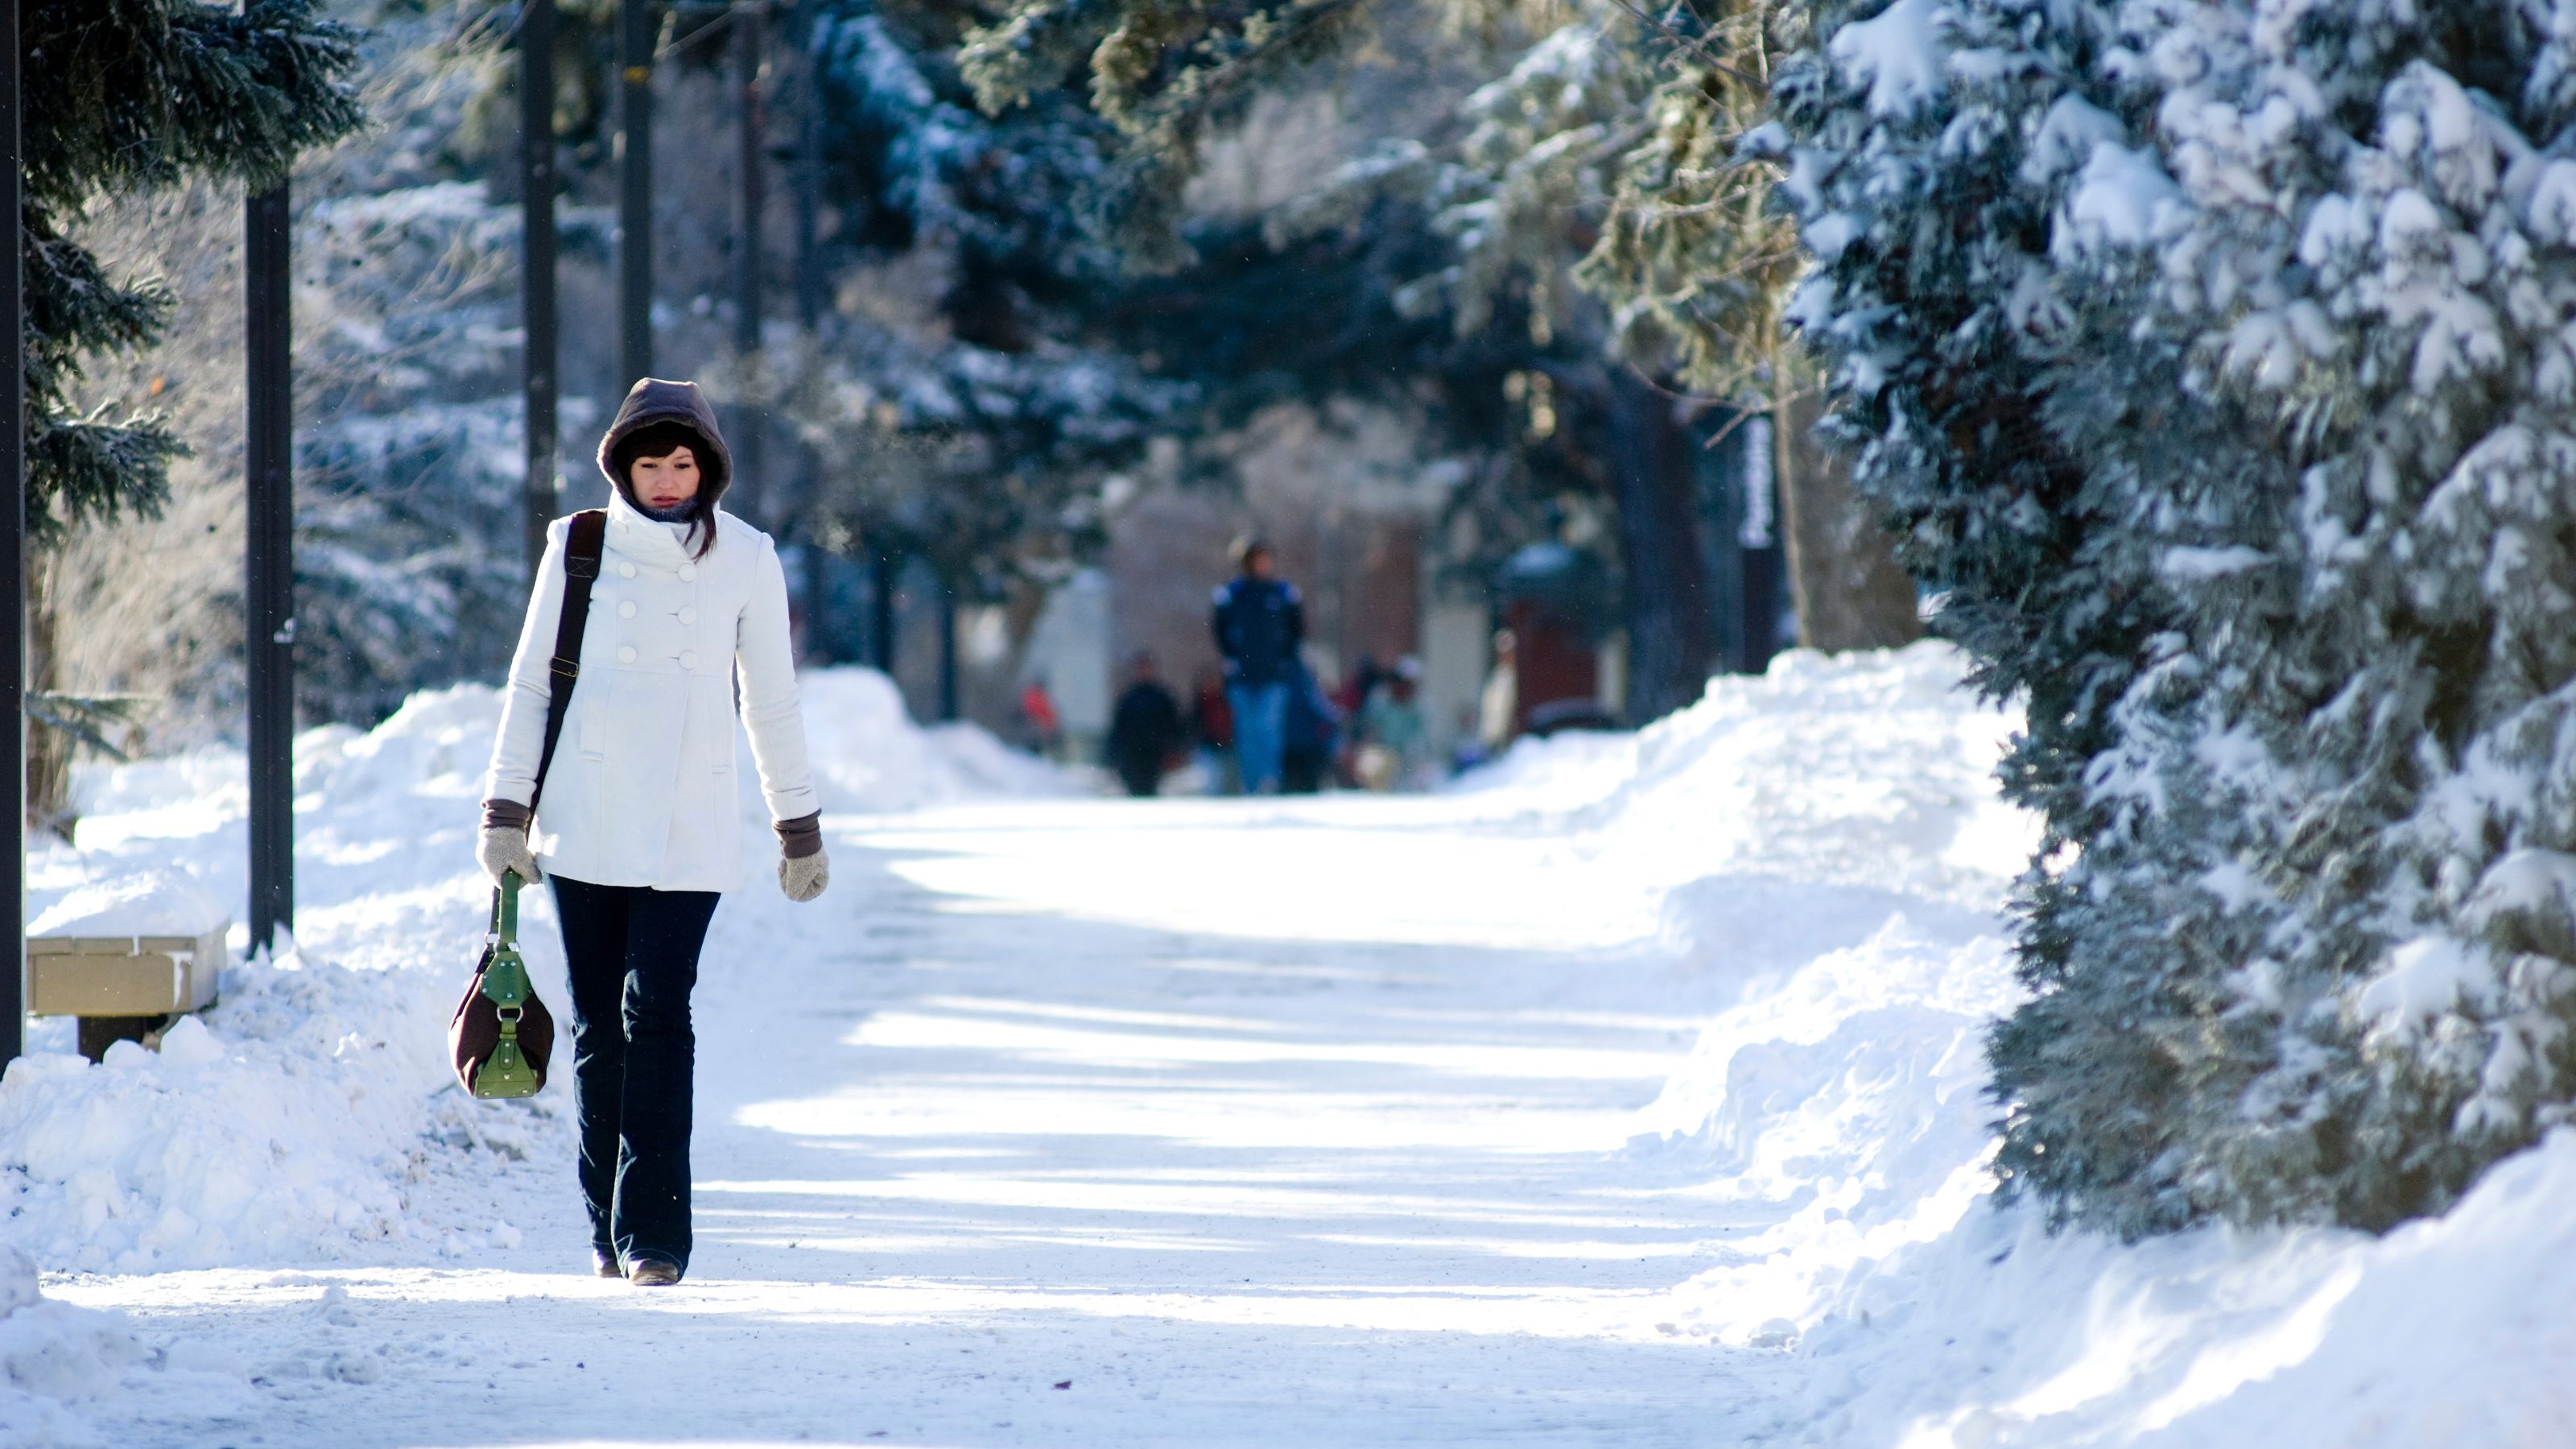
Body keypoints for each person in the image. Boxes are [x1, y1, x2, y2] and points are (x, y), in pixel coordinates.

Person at [477, 377, 828, 1290]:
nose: (667, 479)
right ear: (620, 467)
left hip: (690, 819)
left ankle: (657, 1236)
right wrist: (504, 813)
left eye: (682, 463)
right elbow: (530, 683)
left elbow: (771, 700)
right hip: (586, 815)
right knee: (601, 1030)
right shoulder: (577, 545)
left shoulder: (748, 557)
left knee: (660, 1016)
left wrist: (798, 824)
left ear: (707, 466)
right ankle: (605, 1223)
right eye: (649, 462)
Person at [1210, 537, 1304, 793]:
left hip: (1273, 676)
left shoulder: (1283, 594)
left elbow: (1296, 631)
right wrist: (1234, 658)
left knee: (1268, 729)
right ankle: (1250, 784)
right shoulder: (1232, 594)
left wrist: (1285, 660)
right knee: (1247, 733)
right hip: (1242, 676)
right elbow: (1220, 632)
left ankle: (1269, 781)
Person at [1104, 652, 1187, 797]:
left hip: (1155, 754)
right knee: (1135, 791)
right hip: (1132, 755)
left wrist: (1174, 750)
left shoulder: (1162, 698)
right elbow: (1119, 729)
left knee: (1151, 791)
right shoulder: (1128, 698)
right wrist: (1112, 757)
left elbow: (1173, 726)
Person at [1357, 656, 1431, 791]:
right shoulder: (1380, 701)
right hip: (1383, 754)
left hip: (1409, 761)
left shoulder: (1420, 707)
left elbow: (1423, 739)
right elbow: (1370, 729)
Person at [1281, 660, 1341, 795]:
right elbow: (1316, 706)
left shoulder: (1281, 678)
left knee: (1289, 785)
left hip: (1286, 743)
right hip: (1306, 744)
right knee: (1309, 787)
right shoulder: (1303, 679)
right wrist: (1336, 716)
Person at [1190, 667, 1235, 795]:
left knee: (1229, 780)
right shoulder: (1199, 705)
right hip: (1208, 749)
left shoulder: (1227, 702)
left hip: (1227, 748)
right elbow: (1195, 729)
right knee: (1213, 781)